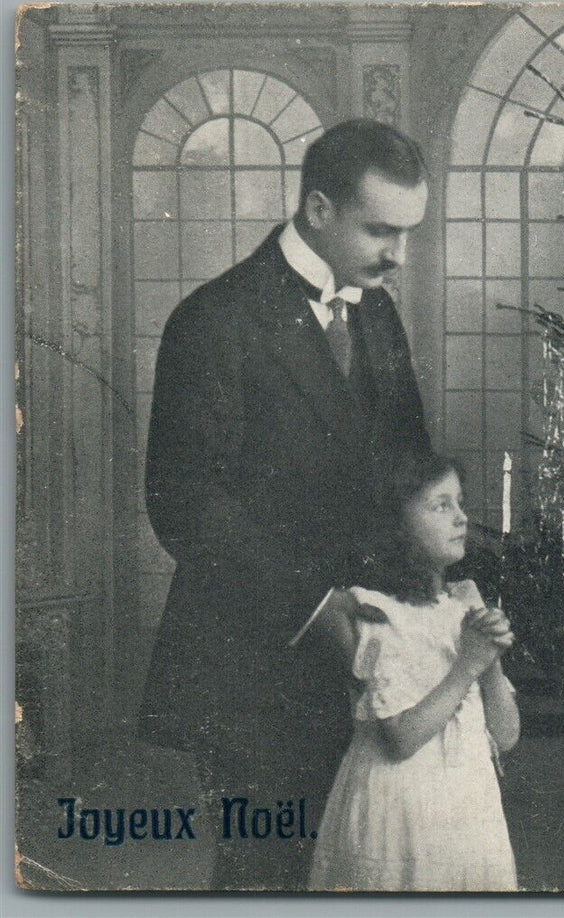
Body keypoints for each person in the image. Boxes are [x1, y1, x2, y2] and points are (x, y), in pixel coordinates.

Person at [138, 119, 433, 889]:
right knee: (265, 875)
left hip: (370, 652)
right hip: (253, 667)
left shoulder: (377, 313)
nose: (397, 254)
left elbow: (407, 464)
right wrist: (316, 603)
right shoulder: (214, 320)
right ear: (319, 210)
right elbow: (184, 503)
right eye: (380, 230)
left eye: (407, 232)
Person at [309, 451, 520, 891]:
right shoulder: (374, 612)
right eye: (441, 506)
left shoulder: (462, 604)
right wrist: (468, 664)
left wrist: (491, 660)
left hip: (469, 810)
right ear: (397, 526)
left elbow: (506, 736)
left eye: (460, 503)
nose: (461, 517)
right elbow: (400, 739)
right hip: (401, 812)